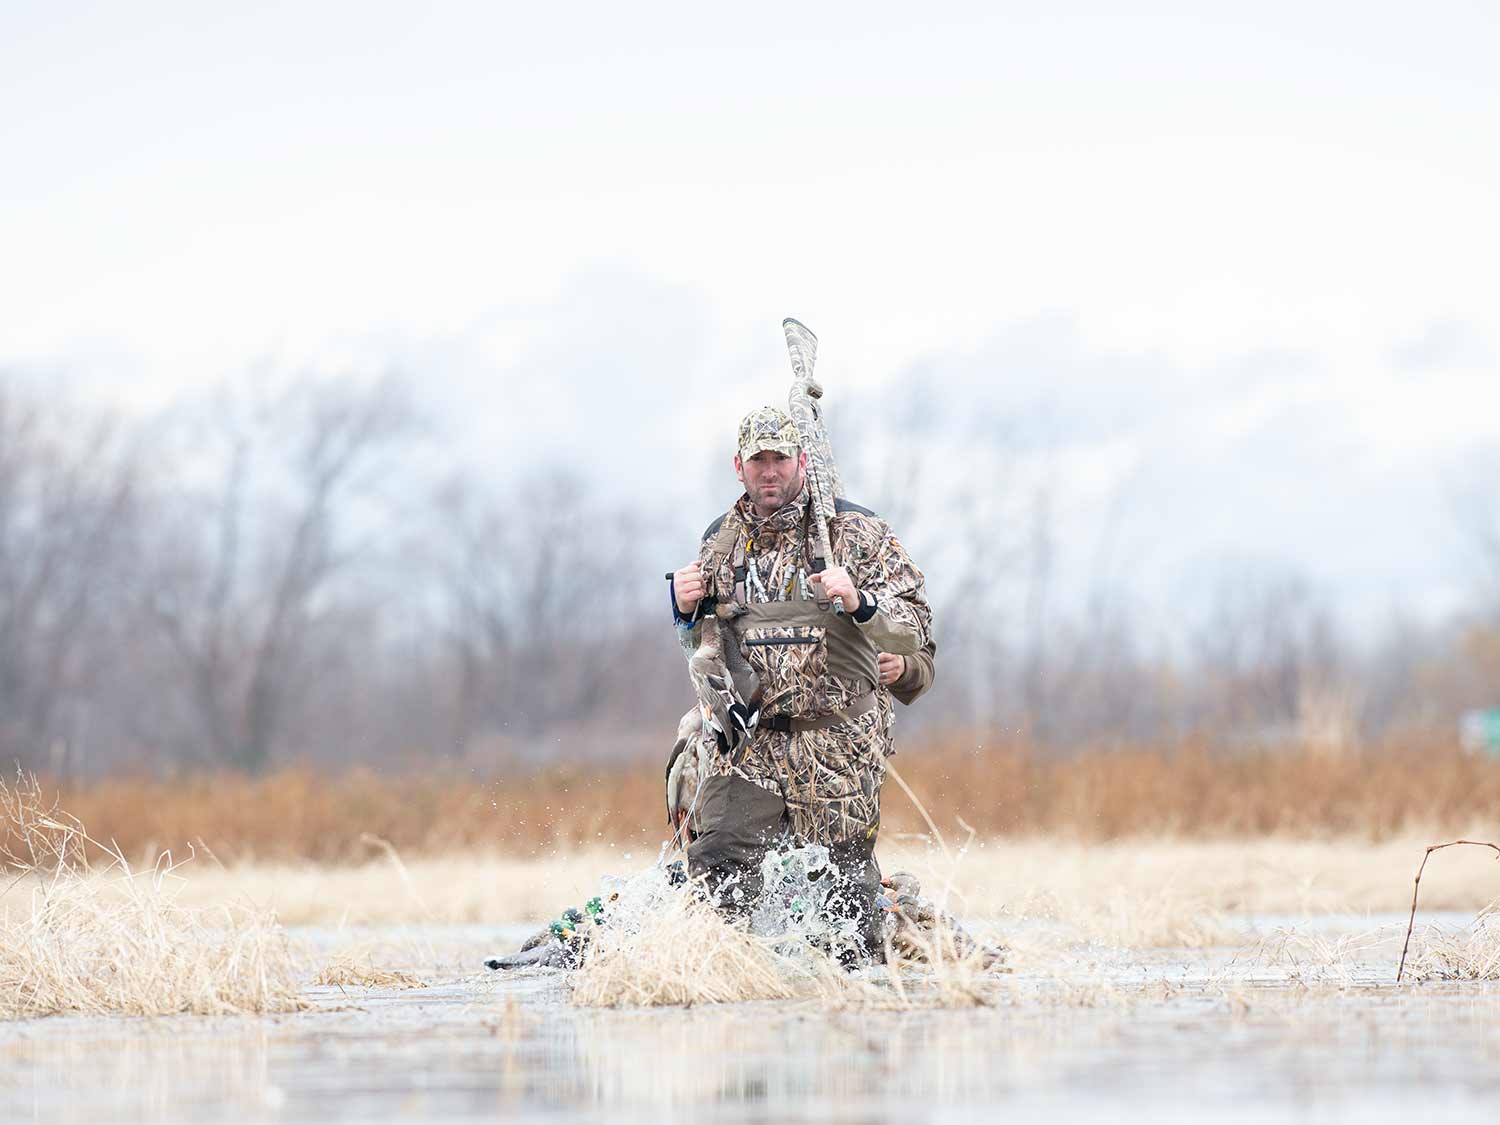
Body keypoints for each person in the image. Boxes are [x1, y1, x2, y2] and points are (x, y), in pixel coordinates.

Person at [669, 405, 933, 959]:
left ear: (802, 462)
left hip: (836, 744)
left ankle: (862, 1003)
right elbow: (706, 654)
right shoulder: (719, 541)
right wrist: (684, 613)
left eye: (781, 459)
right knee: (715, 869)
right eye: (759, 460)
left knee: (848, 908)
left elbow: (914, 633)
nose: (770, 471)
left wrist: (860, 603)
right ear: (738, 465)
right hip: (752, 743)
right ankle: (730, 993)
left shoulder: (854, 532)